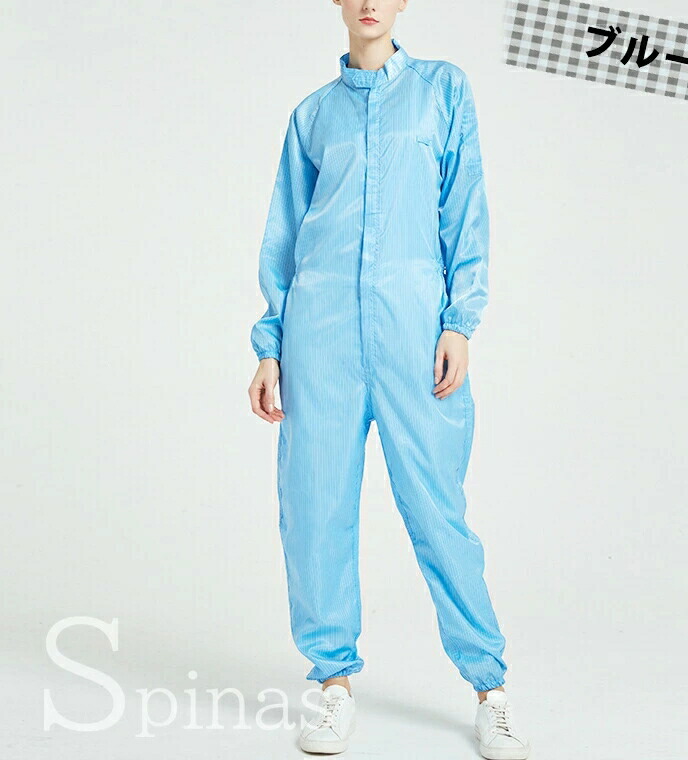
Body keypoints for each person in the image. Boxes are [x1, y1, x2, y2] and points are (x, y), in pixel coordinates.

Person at [248, 2, 530, 758]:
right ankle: (332, 685)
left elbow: (464, 207)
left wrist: (459, 321)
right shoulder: (312, 117)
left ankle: (490, 689)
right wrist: (271, 345)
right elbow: (285, 236)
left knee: (439, 513)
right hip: (319, 336)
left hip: (414, 334)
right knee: (315, 510)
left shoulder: (443, 90)